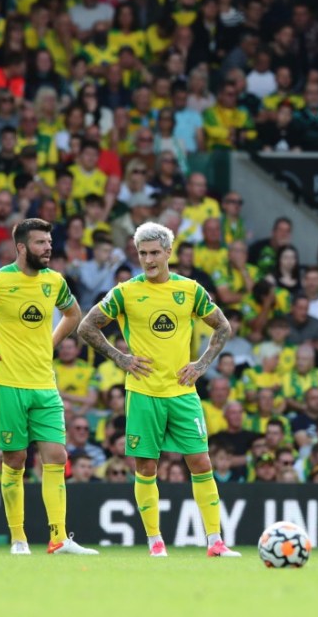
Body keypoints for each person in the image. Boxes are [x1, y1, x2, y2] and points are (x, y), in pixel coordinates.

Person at [77, 222, 240, 558]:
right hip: (143, 393)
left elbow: (222, 326)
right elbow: (86, 326)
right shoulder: (125, 292)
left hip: (182, 392)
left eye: (154, 252)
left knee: (200, 462)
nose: (148, 260)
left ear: (169, 252)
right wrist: (120, 357)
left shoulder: (190, 290)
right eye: (142, 253)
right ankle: (155, 542)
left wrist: (202, 365)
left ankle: (215, 541)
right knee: (146, 468)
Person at [0, 219, 97, 556]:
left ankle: (58, 538)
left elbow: (73, 315)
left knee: (57, 456)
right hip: (8, 383)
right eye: (41, 243)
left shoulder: (54, 281)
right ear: (22, 247)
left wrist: (51, 344)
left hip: (45, 384)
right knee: (15, 460)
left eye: (49, 242)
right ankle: (19, 538)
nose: (48, 248)